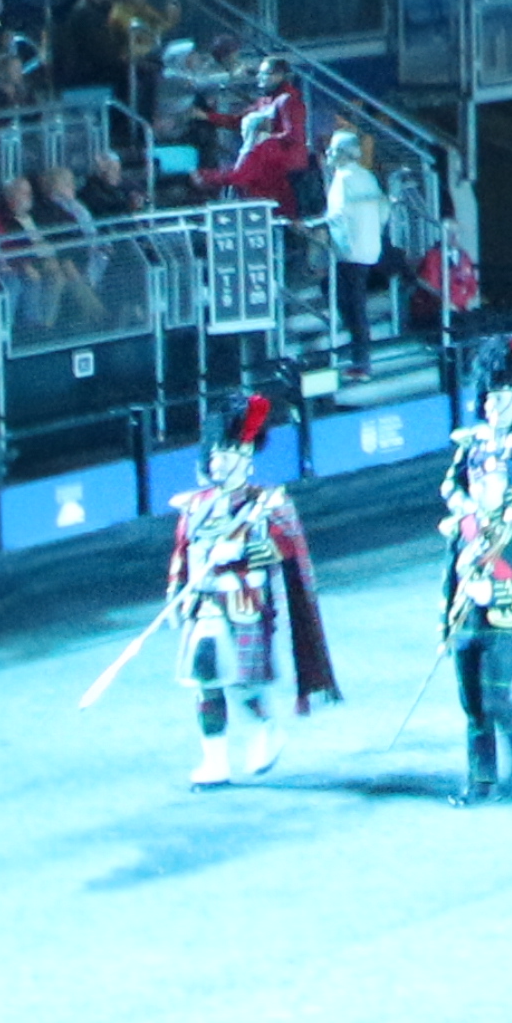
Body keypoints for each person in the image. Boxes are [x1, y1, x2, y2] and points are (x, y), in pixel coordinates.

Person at [163, 394, 335, 782]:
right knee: (204, 678)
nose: (217, 462)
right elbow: (181, 551)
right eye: (214, 454)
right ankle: (215, 761)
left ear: (245, 455)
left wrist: (240, 547)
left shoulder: (268, 503)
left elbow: (284, 547)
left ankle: (263, 729)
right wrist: (175, 594)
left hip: (246, 603)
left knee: (243, 683)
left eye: (226, 453)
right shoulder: (195, 505)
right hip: (204, 603)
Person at [440, 440, 512, 805]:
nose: (488, 489)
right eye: (481, 482)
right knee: (472, 707)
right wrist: (444, 627)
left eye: (496, 480)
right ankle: (480, 781)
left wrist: (498, 591)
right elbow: (449, 582)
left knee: (494, 699)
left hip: (506, 625)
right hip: (467, 625)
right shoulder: (463, 528)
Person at [319, 129, 388, 381]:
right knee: (356, 304)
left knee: (351, 306)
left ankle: (361, 363)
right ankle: (360, 360)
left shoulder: (342, 179)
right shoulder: (368, 176)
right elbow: (383, 210)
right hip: (370, 249)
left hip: (349, 253)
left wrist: (321, 232)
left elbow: (337, 217)